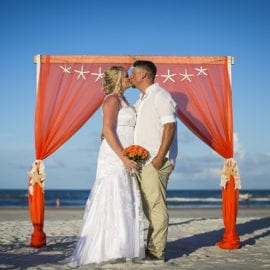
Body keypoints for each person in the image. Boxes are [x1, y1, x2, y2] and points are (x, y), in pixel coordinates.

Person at [65, 66, 145, 266]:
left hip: (126, 153)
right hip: (115, 156)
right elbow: (108, 131)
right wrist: (124, 157)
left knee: (125, 197)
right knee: (112, 194)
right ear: (119, 79)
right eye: (126, 76)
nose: (129, 79)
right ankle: (105, 248)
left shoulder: (125, 100)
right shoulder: (112, 100)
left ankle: (122, 245)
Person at [130, 60, 178, 263]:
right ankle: (151, 247)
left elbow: (170, 127)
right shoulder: (141, 100)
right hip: (141, 162)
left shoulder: (161, 96)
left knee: (156, 206)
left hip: (155, 162)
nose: (130, 77)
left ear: (143, 75)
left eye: (133, 73)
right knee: (147, 207)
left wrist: (159, 157)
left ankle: (156, 253)